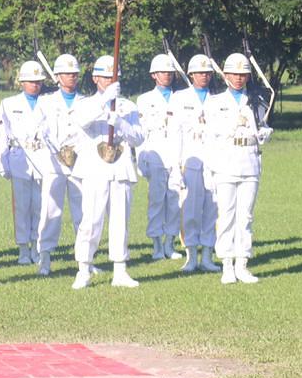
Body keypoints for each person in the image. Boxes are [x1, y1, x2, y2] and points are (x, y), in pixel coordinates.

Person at [71, 55, 144, 290]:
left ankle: (120, 269)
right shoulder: (85, 103)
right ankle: (84, 268)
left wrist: (120, 123)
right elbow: (82, 121)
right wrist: (104, 100)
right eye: (105, 77)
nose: (110, 80)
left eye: (114, 77)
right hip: (95, 168)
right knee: (91, 221)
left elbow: (138, 137)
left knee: (120, 221)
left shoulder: (128, 106)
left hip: (120, 167)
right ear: (95, 79)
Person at [204, 53, 273, 284]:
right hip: (225, 163)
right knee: (226, 216)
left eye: (243, 74)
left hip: (249, 161)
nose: (238, 78)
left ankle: (242, 263)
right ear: (225, 75)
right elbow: (209, 139)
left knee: (245, 216)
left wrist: (265, 134)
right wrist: (209, 170)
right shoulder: (214, 102)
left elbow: (262, 127)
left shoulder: (256, 100)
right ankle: (226, 264)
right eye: (234, 73)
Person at [0, 61, 51, 265]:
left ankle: (37, 247)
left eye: (38, 81)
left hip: (43, 158)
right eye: (30, 81)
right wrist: (3, 163)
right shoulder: (8, 104)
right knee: (21, 207)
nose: (35, 85)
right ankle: (22, 249)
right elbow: (2, 135)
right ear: (21, 82)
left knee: (40, 206)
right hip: (20, 159)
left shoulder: (49, 102)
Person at [36, 53, 88, 275]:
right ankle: (44, 258)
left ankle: (85, 260)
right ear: (57, 76)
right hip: (54, 162)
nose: (71, 77)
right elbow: (39, 129)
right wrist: (52, 145)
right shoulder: (45, 102)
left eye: (74, 74)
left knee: (83, 212)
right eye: (67, 74)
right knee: (50, 211)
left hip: (80, 161)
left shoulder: (86, 102)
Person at [172, 54, 224, 273]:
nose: (203, 76)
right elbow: (175, 134)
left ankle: (207, 256)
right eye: (199, 72)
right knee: (190, 210)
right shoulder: (180, 98)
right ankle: (191, 255)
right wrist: (175, 165)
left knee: (213, 209)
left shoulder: (219, 100)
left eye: (207, 73)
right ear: (190, 74)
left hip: (214, 162)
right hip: (190, 160)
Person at [137, 54, 182, 261]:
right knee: (156, 200)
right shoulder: (144, 100)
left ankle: (170, 244)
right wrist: (141, 158)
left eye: (170, 72)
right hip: (154, 154)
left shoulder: (180, 98)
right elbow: (140, 132)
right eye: (163, 72)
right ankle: (156, 244)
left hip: (176, 154)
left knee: (174, 200)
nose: (167, 75)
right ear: (154, 75)